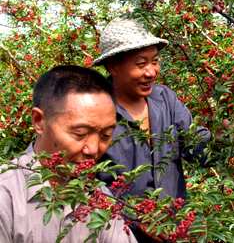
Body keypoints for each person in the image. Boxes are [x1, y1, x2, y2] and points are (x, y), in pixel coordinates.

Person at [0, 65, 137, 243]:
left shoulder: (100, 197)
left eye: (106, 135)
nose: (94, 149)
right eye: (80, 133)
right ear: (39, 121)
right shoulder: (6, 194)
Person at [94, 19, 211, 199]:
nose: (151, 72)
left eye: (155, 61)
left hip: (173, 223)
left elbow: (194, 148)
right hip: (118, 225)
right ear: (113, 67)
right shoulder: (95, 111)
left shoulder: (165, 99)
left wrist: (224, 140)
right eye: (141, 64)